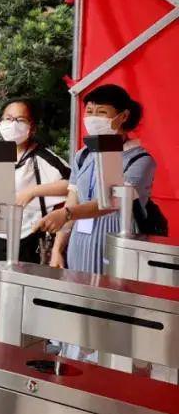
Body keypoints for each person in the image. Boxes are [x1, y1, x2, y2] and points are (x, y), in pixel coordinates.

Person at [0, 98, 70, 313]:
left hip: (26, 241)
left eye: (20, 119)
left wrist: (31, 192)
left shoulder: (41, 158)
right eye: (8, 119)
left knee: (19, 310)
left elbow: (72, 185)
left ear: (32, 127)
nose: (13, 124)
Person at [38, 84, 156, 274]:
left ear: (123, 116)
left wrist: (67, 213)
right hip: (79, 247)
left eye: (101, 112)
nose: (93, 118)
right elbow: (73, 198)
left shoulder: (140, 160)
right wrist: (58, 250)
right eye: (89, 112)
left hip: (119, 250)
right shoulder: (83, 155)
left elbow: (111, 202)